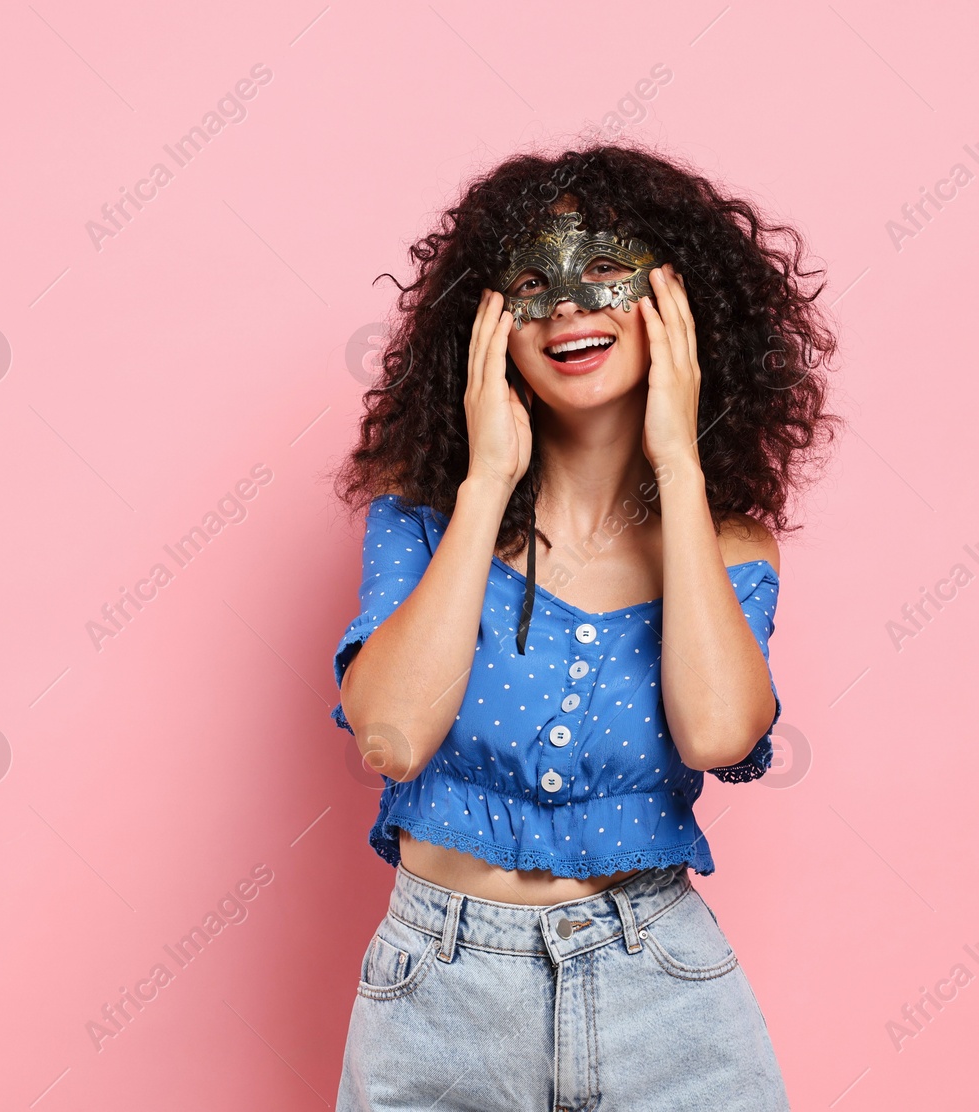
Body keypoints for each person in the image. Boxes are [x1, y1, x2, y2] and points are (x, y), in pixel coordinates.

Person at [328, 143, 840, 1111]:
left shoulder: (728, 549)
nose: (568, 304)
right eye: (529, 282)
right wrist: (483, 487)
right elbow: (390, 737)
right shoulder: (422, 528)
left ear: (681, 307)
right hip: (437, 989)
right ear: (484, 331)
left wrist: (678, 468)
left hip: (660, 982)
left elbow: (719, 733)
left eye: (606, 269)